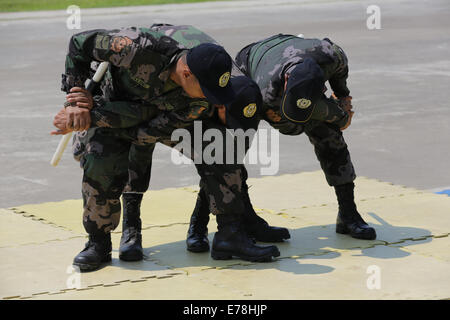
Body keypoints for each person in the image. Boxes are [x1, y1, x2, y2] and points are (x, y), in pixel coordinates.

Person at [53, 26, 279, 271]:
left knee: (220, 148)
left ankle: (230, 235)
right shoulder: (134, 48)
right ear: (186, 73)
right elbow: (79, 43)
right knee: (100, 161)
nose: (210, 98)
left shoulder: (200, 99)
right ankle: (98, 243)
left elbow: (148, 127)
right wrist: (75, 103)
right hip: (109, 103)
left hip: (127, 117)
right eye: (207, 90)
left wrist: (94, 117)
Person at [233, 34, 376, 240]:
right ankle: (240, 221)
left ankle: (348, 214)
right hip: (249, 64)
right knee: (231, 149)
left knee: (330, 135)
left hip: (295, 56)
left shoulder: (332, 55)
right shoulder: (266, 94)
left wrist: (343, 101)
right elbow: (290, 128)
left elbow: (340, 79)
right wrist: (338, 116)